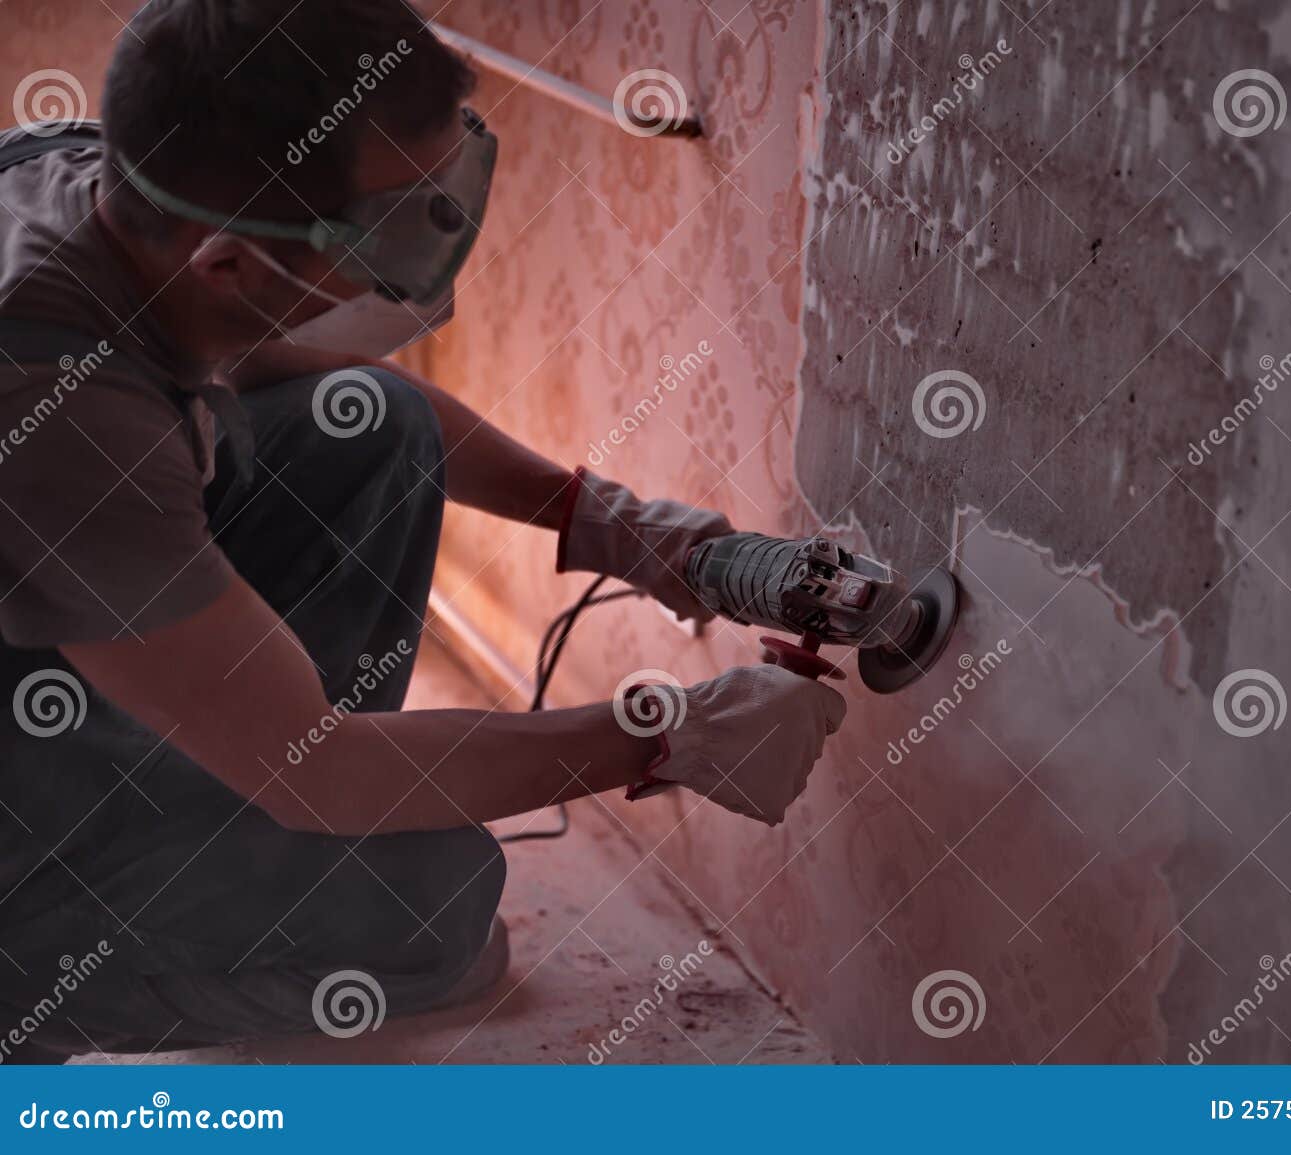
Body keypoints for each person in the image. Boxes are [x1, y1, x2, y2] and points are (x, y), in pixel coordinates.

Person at [0, 0, 844, 1061]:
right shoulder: (55, 404)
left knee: (373, 425)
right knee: (425, 915)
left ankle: (246, 822)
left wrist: (611, 526)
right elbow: (320, 770)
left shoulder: (108, 190)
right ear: (226, 265)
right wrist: (669, 734)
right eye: (397, 226)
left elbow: (315, 374)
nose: (434, 242)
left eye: (444, 199)